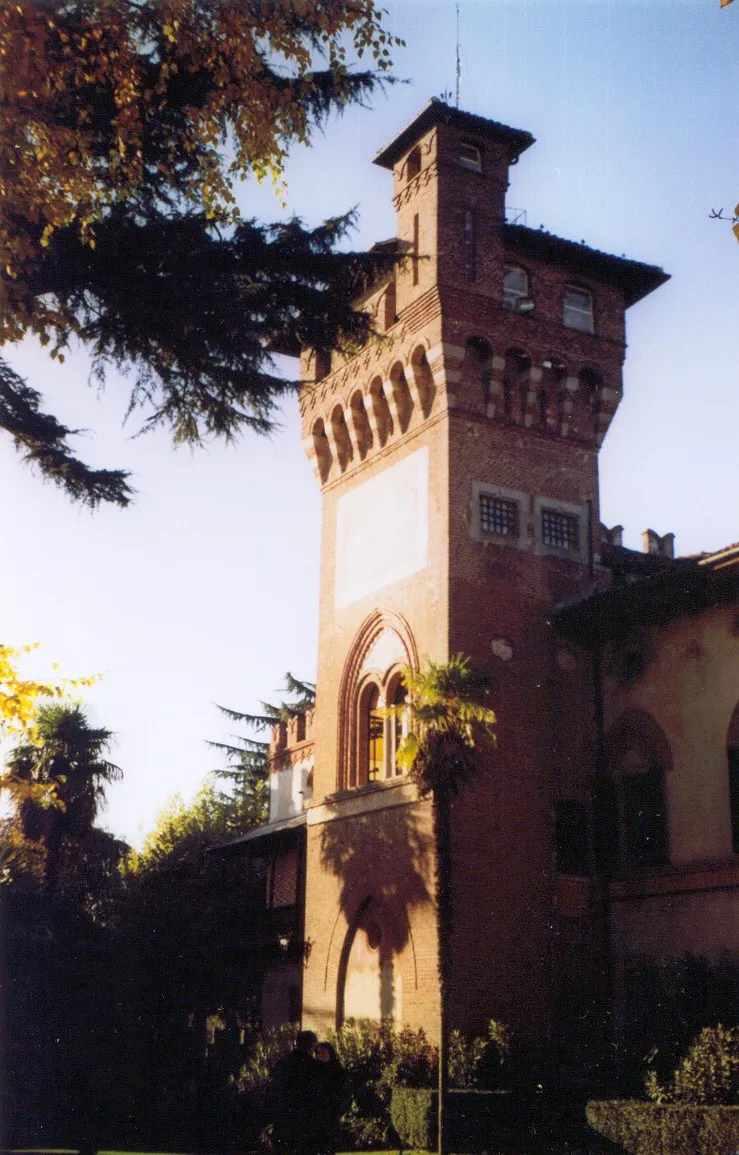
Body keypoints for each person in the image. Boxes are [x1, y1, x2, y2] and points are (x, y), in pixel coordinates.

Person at [269, 1030, 319, 1155]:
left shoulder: (283, 1062)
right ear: (312, 1046)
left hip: (283, 1117)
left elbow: (274, 1086)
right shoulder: (313, 1066)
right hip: (304, 1118)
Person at [313, 1042, 351, 1155]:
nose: (320, 1055)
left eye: (323, 1052)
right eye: (318, 1053)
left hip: (331, 1114)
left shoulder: (338, 1071)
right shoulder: (313, 1071)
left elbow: (345, 1093)